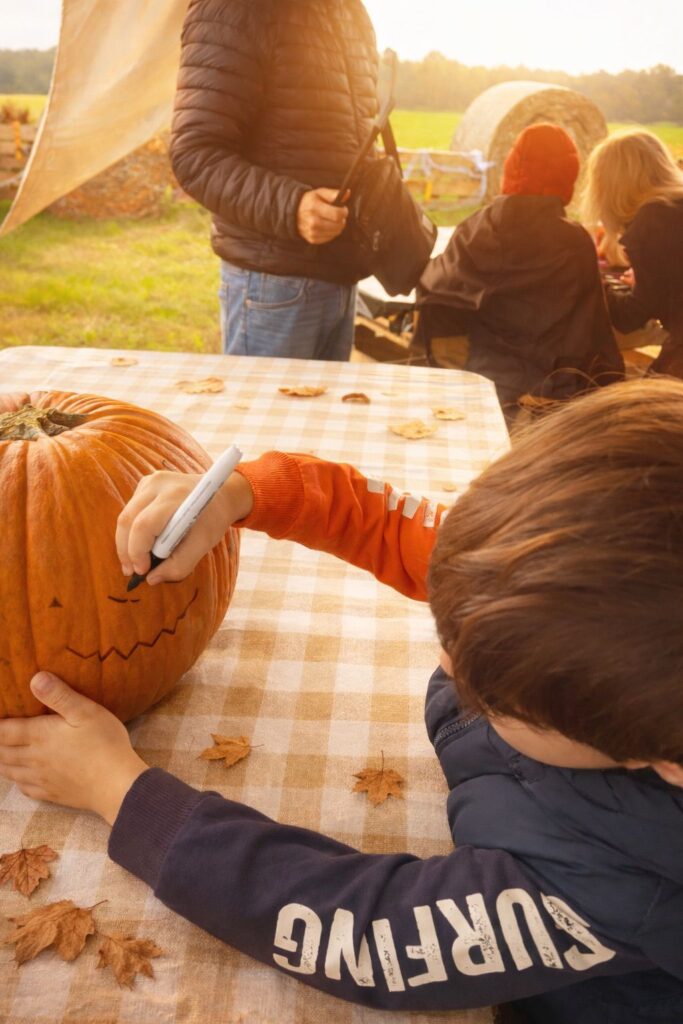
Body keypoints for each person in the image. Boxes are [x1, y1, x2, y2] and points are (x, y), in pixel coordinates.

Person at [3, 379, 683, 1023]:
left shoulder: (620, 880)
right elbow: (384, 519)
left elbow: (364, 933)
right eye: (444, 614)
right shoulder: (556, 576)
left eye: (490, 690)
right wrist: (239, 494)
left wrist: (120, 792)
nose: (446, 655)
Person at [169, 0, 379, 361]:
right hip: (274, 284)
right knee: (261, 417)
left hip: (343, 274)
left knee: (322, 418)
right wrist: (293, 207)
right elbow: (195, 154)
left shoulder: (350, 11)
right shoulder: (234, 8)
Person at [415, 123, 623, 422]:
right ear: (568, 176)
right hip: (552, 387)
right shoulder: (575, 241)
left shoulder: (478, 228)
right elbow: (591, 327)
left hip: (484, 377)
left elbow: (434, 287)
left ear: (512, 168)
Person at [581, 129, 683, 377]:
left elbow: (629, 318)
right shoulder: (674, 207)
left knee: (639, 410)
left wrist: (591, 277)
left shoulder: (653, 219)